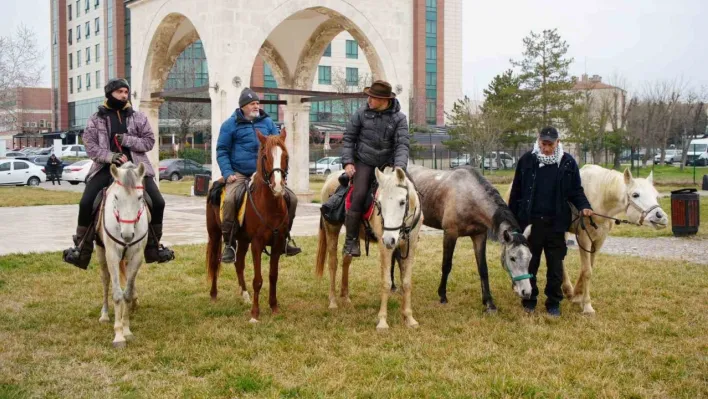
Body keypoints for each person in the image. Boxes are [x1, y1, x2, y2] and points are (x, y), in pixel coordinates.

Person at [62, 78, 175, 269]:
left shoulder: (138, 117)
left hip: (137, 170)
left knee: (159, 202)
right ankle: (81, 249)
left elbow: (149, 142)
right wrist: (110, 156)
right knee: (86, 202)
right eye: (120, 92)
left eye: (126, 92)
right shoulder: (95, 119)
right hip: (106, 169)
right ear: (110, 94)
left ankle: (154, 247)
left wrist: (128, 140)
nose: (124, 95)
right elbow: (90, 147)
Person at [508, 126, 594, 317]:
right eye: (543, 143)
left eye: (550, 144)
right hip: (531, 225)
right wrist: (513, 222)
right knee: (531, 264)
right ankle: (529, 299)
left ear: (558, 142)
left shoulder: (568, 163)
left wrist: (584, 206)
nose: (546, 148)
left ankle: (553, 302)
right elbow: (516, 193)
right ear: (538, 141)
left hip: (556, 224)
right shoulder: (527, 160)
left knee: (555, 267)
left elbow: (576, 191)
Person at [216, 88, 301, 263]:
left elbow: (277, 148)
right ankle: (230, 244)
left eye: (257, 103)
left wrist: (278, 172)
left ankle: (285, 237)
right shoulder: (229, 125)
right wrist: (227, 173)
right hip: (239, 173)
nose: (256, 106)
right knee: (231, 200)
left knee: (291, 198)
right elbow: (222, 150)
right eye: (252, 103)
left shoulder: (268, 122)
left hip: (264, 174)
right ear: (243, 106)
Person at [341, 80, 410, 257]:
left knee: (407, 192)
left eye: (373, 97)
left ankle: (407, 231)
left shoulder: (399, 119)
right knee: (359, 194)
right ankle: (351, 241)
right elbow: (349, 138)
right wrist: (348, 162)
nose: (369, 99)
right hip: (364, 162)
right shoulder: (360, 114)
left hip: (388, 164)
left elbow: (402, 145)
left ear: (384, 100)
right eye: (369, 96)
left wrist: (399, 168)